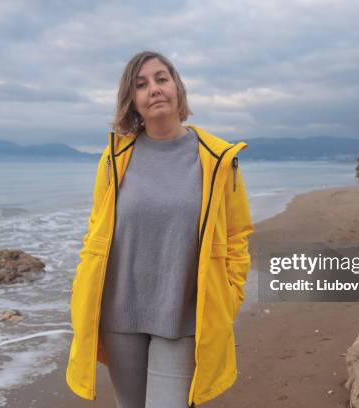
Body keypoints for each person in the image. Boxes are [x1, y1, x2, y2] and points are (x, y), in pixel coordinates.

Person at [66, 50, 254, 408]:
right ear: (132, 101)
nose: (154, 89)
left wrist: (228, 295)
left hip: (183, 316)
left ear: (177, 88)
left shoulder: (217, 160)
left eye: (161, 79)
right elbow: (96, 230)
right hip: (120, 313)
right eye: (141, 84)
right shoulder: (115, 158)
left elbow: (236, 236)